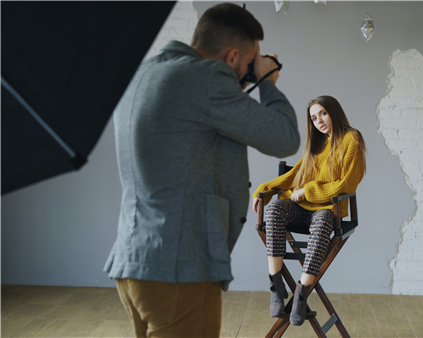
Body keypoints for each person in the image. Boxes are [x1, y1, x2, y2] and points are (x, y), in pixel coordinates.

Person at [103, 3, 300, 337]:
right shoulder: (206, 81)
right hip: (181, 269)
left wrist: (238, 80)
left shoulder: (144, 72)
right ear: (233, 56)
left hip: (133, 260)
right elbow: (285, 139)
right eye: (249, 62)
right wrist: (266, 80)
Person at [252, 95, 366, 326]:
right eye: (314, 118)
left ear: (334, 112)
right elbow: (295, 174)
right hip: (302, 210)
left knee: (323, 221)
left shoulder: (351, 138)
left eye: (323, 113)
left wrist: (308, 190)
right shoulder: (318, 143)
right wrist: (264, 189)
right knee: (274, 209)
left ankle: (301, 295)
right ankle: (277, 287)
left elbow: (347, 184)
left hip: (329, 209)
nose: (319, 121)